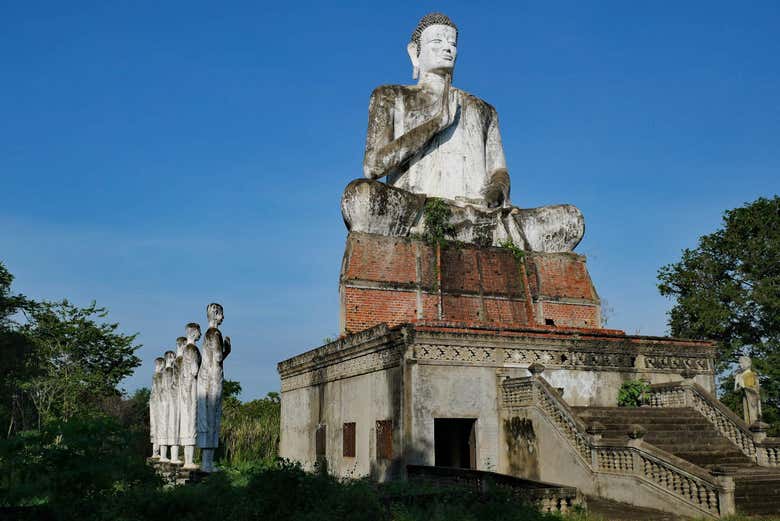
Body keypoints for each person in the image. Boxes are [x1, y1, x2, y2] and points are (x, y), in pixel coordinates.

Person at [342, 12, 584, 252]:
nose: (447, 48)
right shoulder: (390, 96)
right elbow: (372, 166)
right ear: (414, 52)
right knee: (361, 197)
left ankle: (475, 231)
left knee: (570, 219)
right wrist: (436, 124)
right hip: (418, 211)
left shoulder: (483, 109)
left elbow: (499, 170)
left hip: (481, 215)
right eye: (437, 41)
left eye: (452, 43)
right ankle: (458, 229)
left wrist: (497, 190)